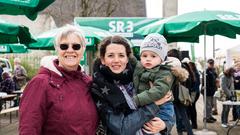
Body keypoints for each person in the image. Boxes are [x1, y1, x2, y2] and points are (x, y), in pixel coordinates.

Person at [19, 25, 98, 135]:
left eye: (76, 46)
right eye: (64, 46)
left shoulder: (88, 83)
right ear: (57, 49)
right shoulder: (40, 83)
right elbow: (29, 128)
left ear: (83, 49)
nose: (70, 50)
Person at [91, 35, 173, 135]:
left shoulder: (140, 74)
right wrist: (154, 105)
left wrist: (165, 125)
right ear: (103, 59)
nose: (116, 60)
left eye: (121, 55)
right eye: (111, 55)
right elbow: (122, 129)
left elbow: (167, 103)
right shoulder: (98, 87)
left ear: (127, 58)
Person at [133, 33, 188, 134]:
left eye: (153, 56)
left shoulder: (164, 72)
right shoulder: (143, 68)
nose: (148, 58)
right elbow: (133, 62)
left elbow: (159, 91)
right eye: (144, 56)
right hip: (149, 106)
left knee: (152, 129)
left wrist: (137, 100)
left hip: (163, 108)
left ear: (161, 59)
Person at [167, 49, 193, 135]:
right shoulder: (183, 66)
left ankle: (178, 132)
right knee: (183, 115)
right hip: (181, 95)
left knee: (168, 115)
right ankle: (189, 132)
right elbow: (189, 81)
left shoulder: (168, 67)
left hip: (170, 95)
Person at [201, 59, 218, 123]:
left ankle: (210, 116)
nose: (211, 65)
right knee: (207, 105)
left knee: (211, 105)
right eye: (210, 63)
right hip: (207, 91)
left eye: (212, 63)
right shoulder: (206, 71)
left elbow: (216, 78)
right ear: (208, 64)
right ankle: (206, 117)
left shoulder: (213, 71)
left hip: (212, 91)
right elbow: (205, 82)